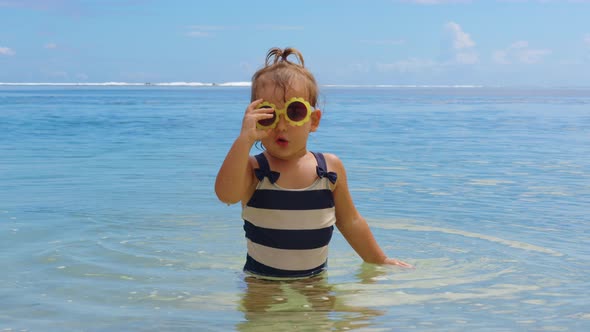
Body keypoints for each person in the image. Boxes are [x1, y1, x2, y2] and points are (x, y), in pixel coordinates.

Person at [215, 47, 412, 279]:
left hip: (315, 283)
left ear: (313, 120)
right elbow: (226, 195)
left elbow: (350, 222)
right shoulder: (254, 170)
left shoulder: (329, 169)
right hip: (262, 285)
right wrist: (244, 139)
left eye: (294, 112)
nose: (281, 125)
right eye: (269, 114)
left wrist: (379, 260)